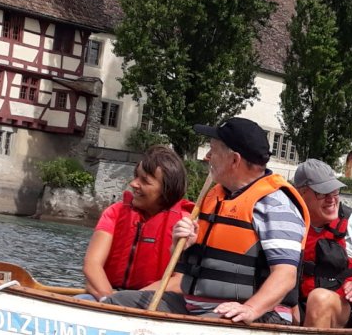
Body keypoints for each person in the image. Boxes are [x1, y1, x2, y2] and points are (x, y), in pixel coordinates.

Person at [104, 117, 307, 323]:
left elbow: (285, 276)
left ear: (234, 160)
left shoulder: (276, 205)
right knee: (114, 303)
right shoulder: (214, 196)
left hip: (253, 313)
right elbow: (187, 270)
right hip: (191, 306)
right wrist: (181, 247)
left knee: (192, 325)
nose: (207, 156)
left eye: (213, 150)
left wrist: (250, 309)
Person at [82, 145, 191, 297]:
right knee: (83, 299)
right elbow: (92, 264)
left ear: (167, 190)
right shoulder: (114, 212)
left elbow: (180, 281)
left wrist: (129, 300)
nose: (133, 183)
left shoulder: (185, 224)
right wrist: (110, 300)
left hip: (155, 300)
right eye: (136, 176)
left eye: (144, 180)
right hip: (108, 294)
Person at [292, 159, 352, 329]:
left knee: (319, 299)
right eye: (322, 193)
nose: (331, 199)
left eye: (335, 191)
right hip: (297, 304)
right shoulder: (287, 220)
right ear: (301, 193)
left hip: (343, 310)